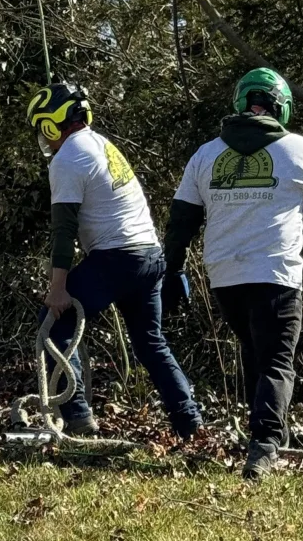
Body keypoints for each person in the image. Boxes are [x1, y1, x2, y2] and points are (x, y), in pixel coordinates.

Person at [162, 67, 303, 481]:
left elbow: (181, 220)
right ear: (282, 106)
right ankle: (265, 445)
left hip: (224, 275)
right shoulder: (298, 149)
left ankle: (264, 435)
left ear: (241, 103)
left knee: (254, 352)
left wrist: (171, 270)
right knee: (277, 360)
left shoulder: (206, 154)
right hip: (275, 270)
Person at [29, 81, 202, 440]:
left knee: (55, 323)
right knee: (151, 343)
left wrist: (58, 289)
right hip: (151, 257)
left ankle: (77, 417)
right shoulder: (103, 145)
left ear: (51, 124)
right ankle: (190, 424)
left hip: (118, 258)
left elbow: (62, 233)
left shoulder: (67, 158)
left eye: (42, 128)